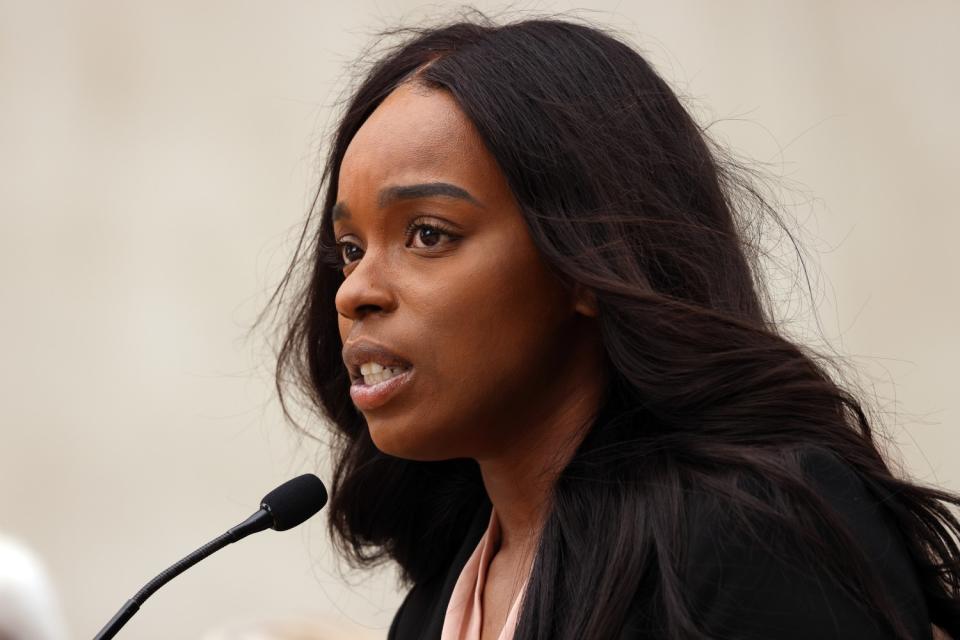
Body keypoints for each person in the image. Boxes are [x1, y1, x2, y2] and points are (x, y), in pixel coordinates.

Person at [263, 11, 960, 640]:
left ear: (585, 261)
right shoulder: (435, 605)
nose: (354, 290)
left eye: (428, 234)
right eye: (351, 250)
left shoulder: (754, 535)